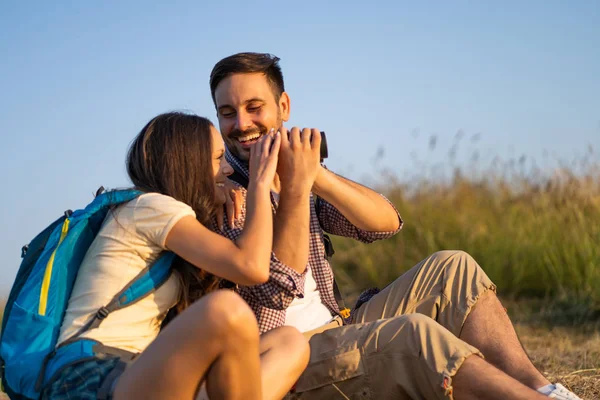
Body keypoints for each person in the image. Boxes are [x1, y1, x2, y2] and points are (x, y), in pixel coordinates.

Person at [208, 52, 582, 400]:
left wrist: (313, 177)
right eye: (227, 113)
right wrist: (288, 185)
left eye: (254, 107)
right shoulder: (222, 194)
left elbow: (385, 224)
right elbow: (280, 281)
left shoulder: (298, 178)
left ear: (283, 107)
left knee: (453, 268)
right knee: (412, 335)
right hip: (287, 357)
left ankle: (545, 389)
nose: (241, 124)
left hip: (336, 327)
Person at [41, 112, 309, 400]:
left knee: (289, 343)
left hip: (136, 372)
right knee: (225, 310)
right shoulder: (150, 207)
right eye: (219, 159)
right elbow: (252, 267)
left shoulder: (169, 221)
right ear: (188, 164)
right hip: (89, 375)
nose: (228, 171)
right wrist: (258, 182)